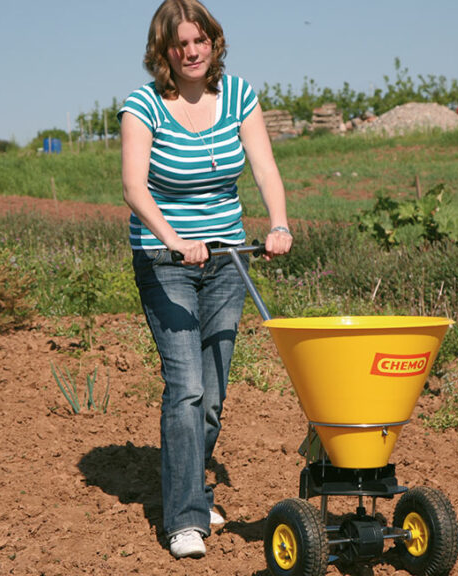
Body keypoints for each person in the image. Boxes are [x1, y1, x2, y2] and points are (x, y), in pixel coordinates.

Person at [118, 0, 292, 560]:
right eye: (180, 44)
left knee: (212, 395)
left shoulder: (240, 96)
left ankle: (190, 488)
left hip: (227, 261)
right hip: (166, 262)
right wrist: (173, 239)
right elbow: (134, 188)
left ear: (214, 43)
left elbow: (264, 166)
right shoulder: (142, 106)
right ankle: (186, 519)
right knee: (186, 386)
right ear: (164, 51)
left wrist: (279, 223)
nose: (191, 52)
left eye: (200, 41)